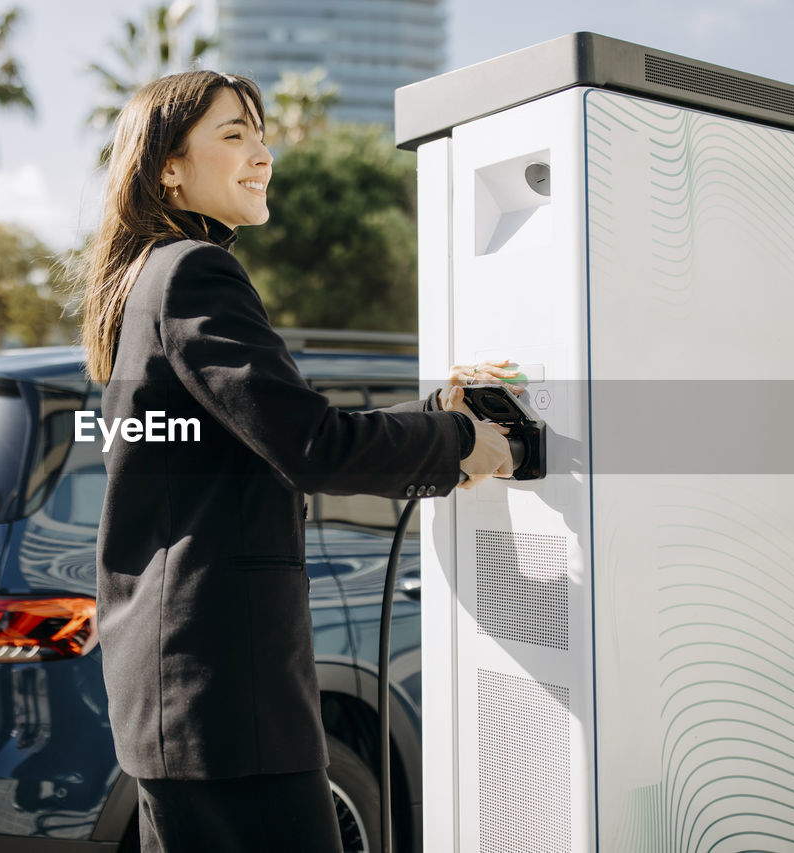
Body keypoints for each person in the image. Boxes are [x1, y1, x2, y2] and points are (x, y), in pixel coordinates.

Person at [76, 70, 516, 853]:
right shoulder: (192, 271)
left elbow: (255, 436)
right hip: (227, 701)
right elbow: (309, 445)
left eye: (261, 133)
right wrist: (461, 446)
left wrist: (431, 421)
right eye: (234, 134)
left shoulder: (141, 281)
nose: (262, 154)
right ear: (167, 167)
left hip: (179, 697)